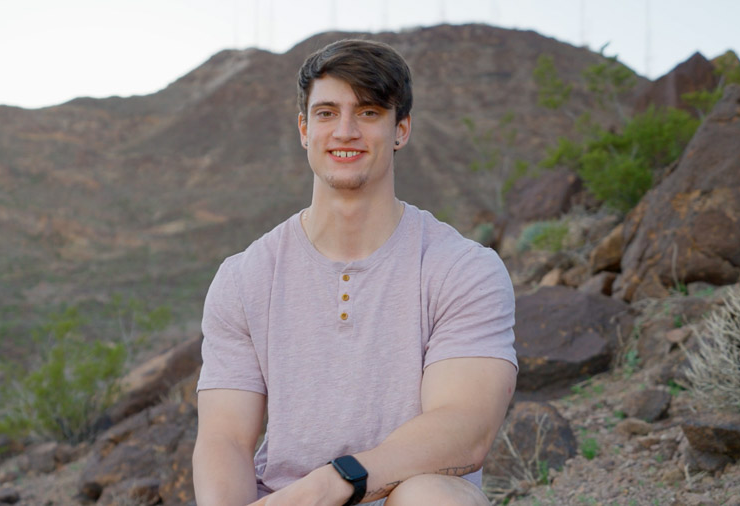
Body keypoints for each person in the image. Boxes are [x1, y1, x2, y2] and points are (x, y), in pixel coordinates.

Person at [192, 38, 517, 506]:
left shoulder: (462, 268)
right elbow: (225, 440)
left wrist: (335, 482)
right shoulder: (244, 277)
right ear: (304, 129)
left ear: (400, 130)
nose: (345, 131)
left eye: (367, 113)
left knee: (432, 497)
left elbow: (464, 429)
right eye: (326, 113)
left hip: (398, 498)